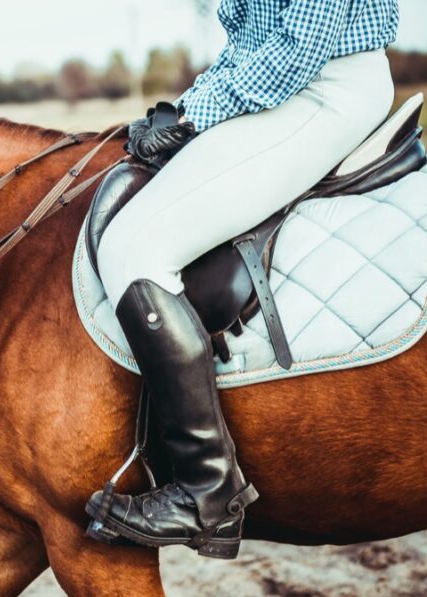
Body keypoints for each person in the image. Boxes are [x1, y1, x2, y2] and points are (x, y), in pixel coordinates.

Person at [88, 0, 399, 556]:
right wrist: (182, 108)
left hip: (321, 87)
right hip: (289, 86)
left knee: (137, 249)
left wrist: (193, 118)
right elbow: (251, 41)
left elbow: (297, 50)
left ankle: (207, 490)